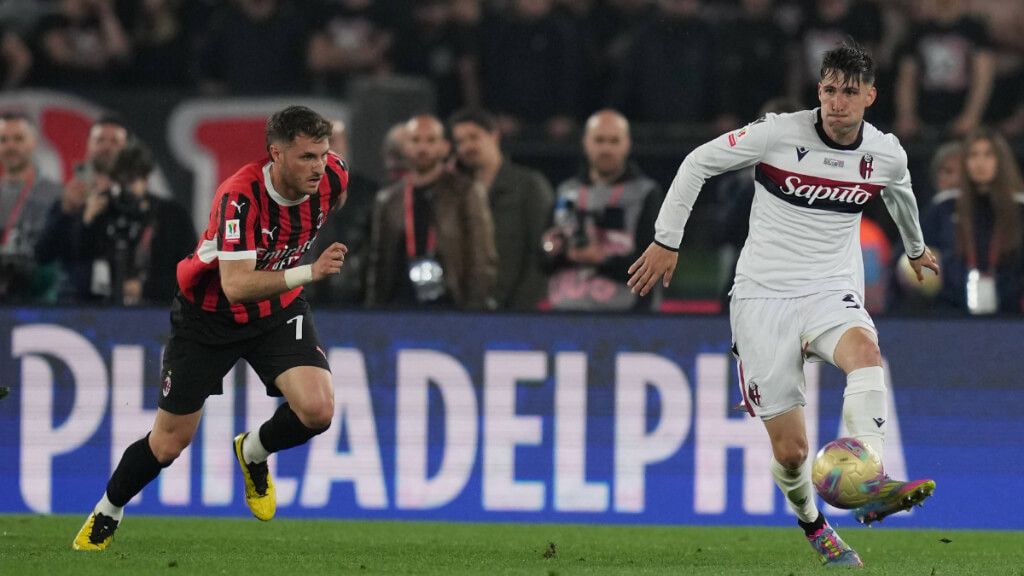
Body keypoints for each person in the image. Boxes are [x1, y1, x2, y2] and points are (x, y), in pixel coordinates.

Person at [627, 43, 939, 567]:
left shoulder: (886, 153)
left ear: (870, 96)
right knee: (792, 453)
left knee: (866, 353)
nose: (837, 102)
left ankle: (871, 480)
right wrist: (667, 239)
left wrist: (914, 248)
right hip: (762, 297)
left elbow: (900, 195)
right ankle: (813, 523)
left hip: (830, 290)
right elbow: (697, 162)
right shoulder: (777, 134)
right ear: (819, 89)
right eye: (829, 89)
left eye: (849, 92)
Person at [73, 106, 350, 551]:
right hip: (209, 317)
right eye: (306, 157)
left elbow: (334, 197)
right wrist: (309, 271)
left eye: (322, 154)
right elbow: (236, 286)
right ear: (276, 154)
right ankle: (109, 509)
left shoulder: (333, 175)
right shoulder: (239, 196)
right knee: (168, 444)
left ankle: (253, 451)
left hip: (277, 310)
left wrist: (298, 262)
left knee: (318, 410)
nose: (319, 167)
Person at [365, 114, 496, 309]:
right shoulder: (388, 199)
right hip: (399, 305)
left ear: (444, 147)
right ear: (405, 147)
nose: (423, 148)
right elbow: (379, 261)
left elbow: (481, 256)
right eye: (415, 140)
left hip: (452, 304)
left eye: (431, 140)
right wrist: (374, 309)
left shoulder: (465, 192)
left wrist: (473, 310)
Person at [544, 109, 662, 311]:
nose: (606, 148)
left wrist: (602, 258)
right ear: (585, 143)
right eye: (599, 140)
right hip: (565, 312)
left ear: (627, 144)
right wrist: (553, 249)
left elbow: (655, 262)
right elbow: (543, 256)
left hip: (627, 314)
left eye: (614, 141)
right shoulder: (566, 192)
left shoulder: (646, 193)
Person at [449, 107, 553, 311]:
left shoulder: (529, 185)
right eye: (460, 142)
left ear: (494, 135)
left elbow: (540, 253)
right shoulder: (456, 192)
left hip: (518, 308)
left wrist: (522, 308)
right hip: (469, 309)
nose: (467, 146)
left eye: (474, 137)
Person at [75, 141, 196, 305]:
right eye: (118, 181)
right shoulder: (102, 212)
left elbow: (192, 273)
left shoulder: (172, 216)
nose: (124, 188)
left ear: (145, 178)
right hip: (102, 310)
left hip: (158, 310)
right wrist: (86, 222)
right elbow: (75, 262)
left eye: (130, 180)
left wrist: (146, 289)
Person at [920, 128, 1023, 314]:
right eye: (973, 155)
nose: (980, 162)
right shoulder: (944, 207)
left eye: (988, 155)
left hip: (1012, 315)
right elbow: (909, 256)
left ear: (1001, 161)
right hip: (950, 313)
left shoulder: (1019, 209)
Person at [36, 115, 129, 302]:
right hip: (73, 301)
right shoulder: (70, 199)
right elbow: (43, 254)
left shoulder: (137, 201)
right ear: (88, 146)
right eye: (100, 140)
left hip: (125, 303)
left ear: (126, 149)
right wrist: (66, 212)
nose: (106, 147)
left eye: (114, 141)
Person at [0, 112, 63, 302]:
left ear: (34, 142)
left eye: (18, 139)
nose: (10, 146)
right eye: (3, 140)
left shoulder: (56, 194)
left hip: (40, 300)